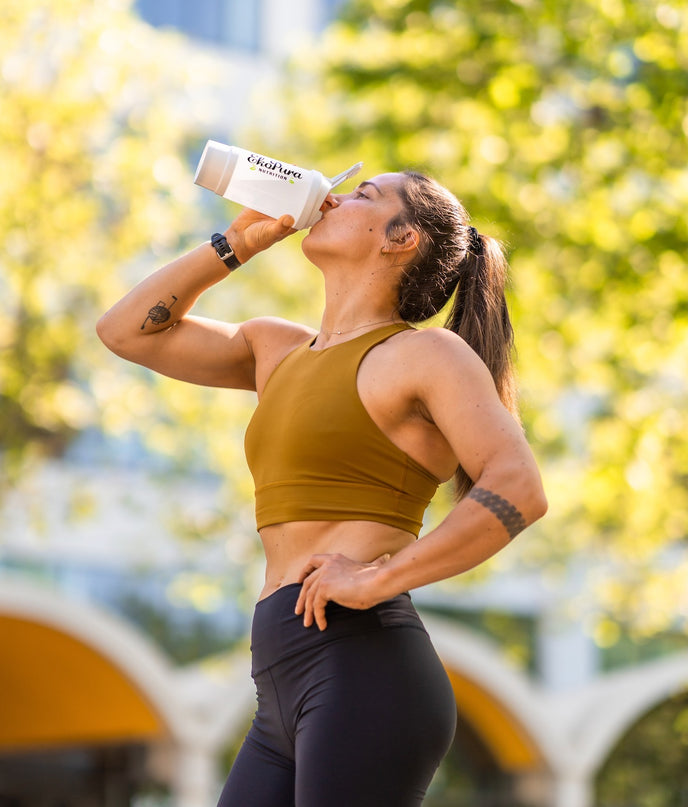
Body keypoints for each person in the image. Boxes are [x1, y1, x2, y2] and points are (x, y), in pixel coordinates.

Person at [97, 169, 548, 807]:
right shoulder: (275, 348)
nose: (333, 198)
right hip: (281, 675)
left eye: (364, 195)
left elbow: (520, 489)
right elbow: (125, 333)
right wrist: (236, 245)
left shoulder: (427, 357)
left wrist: (378, 578)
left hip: (363, 667)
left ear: (402, 239)